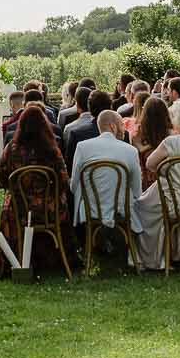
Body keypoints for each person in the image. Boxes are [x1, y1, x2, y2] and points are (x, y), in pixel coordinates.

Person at [0, 104, 73, 279]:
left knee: (8, 202)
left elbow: (3, 178)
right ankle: (59, 257)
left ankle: (15, 258)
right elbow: (64, 180)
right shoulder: (52, 150)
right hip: (50, 210)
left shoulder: (11, 150)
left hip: (19, 209)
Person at [135, 99, 180, 271]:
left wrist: (168, 169)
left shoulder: (171, 142)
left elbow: (150, 165)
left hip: (172, 198)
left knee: (140, 206)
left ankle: (153, 258)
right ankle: (179, 252)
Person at [70, 109, 143, 255]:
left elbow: (74, 185)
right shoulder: (130, 150)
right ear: (112, 126)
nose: (124, 129)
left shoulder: (83, 147)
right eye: (121, 125)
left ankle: (92, 247)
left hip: (90, 207)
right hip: (121, 207)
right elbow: (137, 190)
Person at [63, 88, 111, 175]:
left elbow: (70, 167)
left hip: (86, 184)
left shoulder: (76, 134)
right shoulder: (123, 134)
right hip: (117, 185)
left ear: (89, 108)